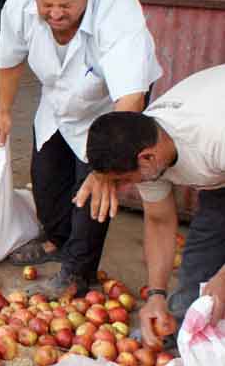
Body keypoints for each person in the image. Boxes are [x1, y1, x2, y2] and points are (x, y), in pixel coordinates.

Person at [0, 0, 162, 297]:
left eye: (65, 4)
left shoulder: (116, 9)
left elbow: (130, 95)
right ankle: (55, 240)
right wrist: (3, 111)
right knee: (47, 179)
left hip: (112, 109)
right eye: (47, 4)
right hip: (58, 99)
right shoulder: (20, 3)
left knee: (93, 191)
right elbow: (9, 59)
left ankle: (79, 271)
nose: (54, 13)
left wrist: (104, 167)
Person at [81, 64, 225, 347]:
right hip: (217, 172)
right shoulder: (145, 145)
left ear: (147, 158)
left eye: (122, 180)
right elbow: (160, 221)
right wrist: (156, 295)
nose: (124, 188)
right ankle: (188, 340)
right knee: (199, 266)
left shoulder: (214, 136)